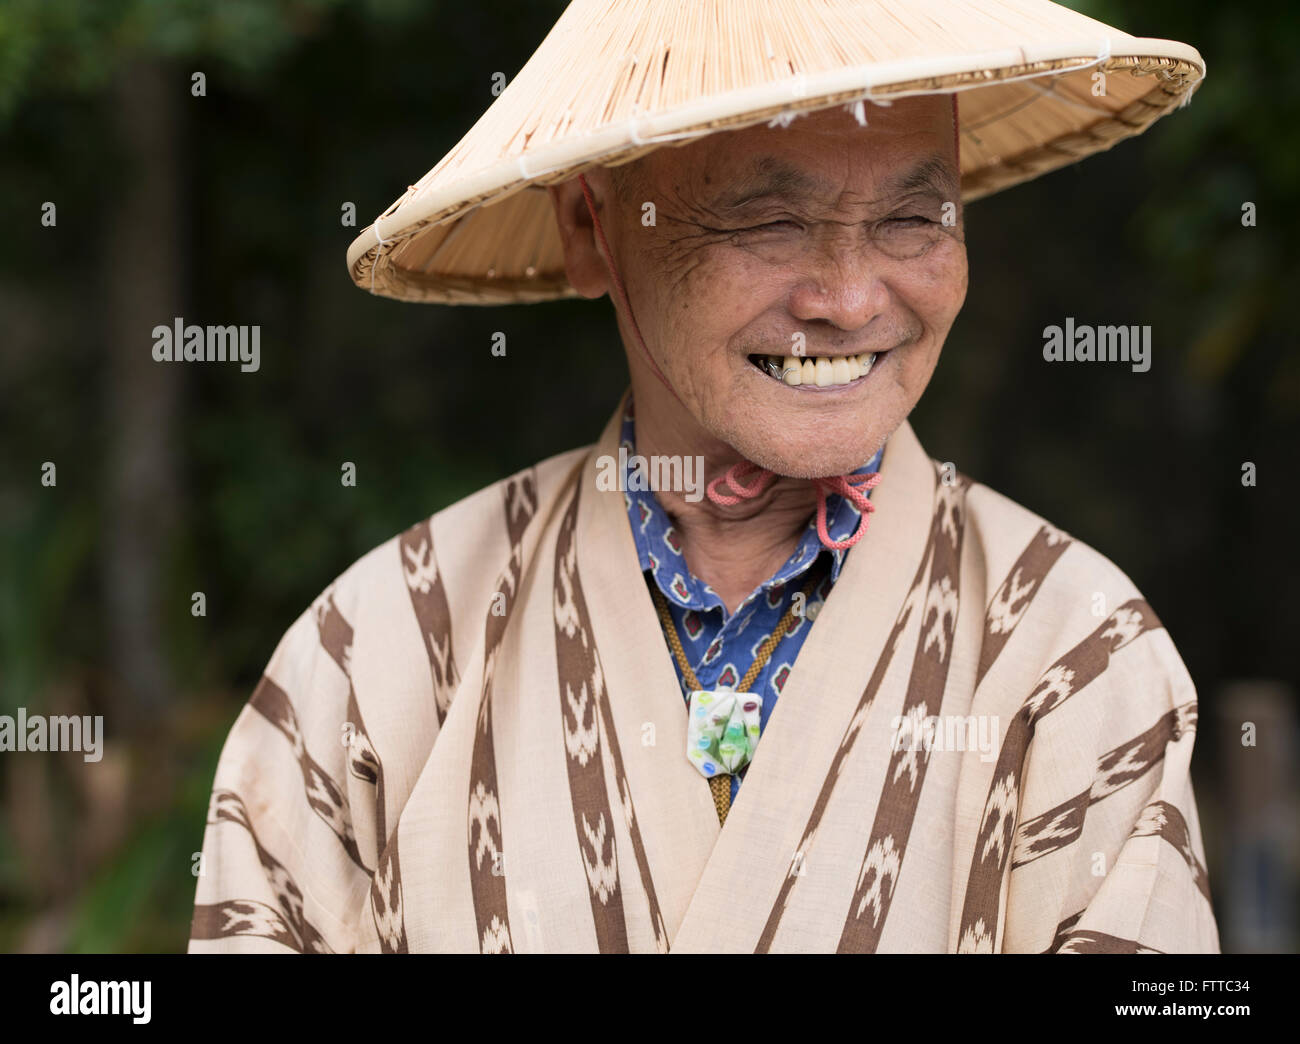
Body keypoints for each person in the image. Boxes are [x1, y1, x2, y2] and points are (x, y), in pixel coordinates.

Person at [189, 0, 1219, 953]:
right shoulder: (376, 661)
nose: (853, 300)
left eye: (912, 218)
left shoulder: (1074, 654)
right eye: (769, 224)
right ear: (592, 228)